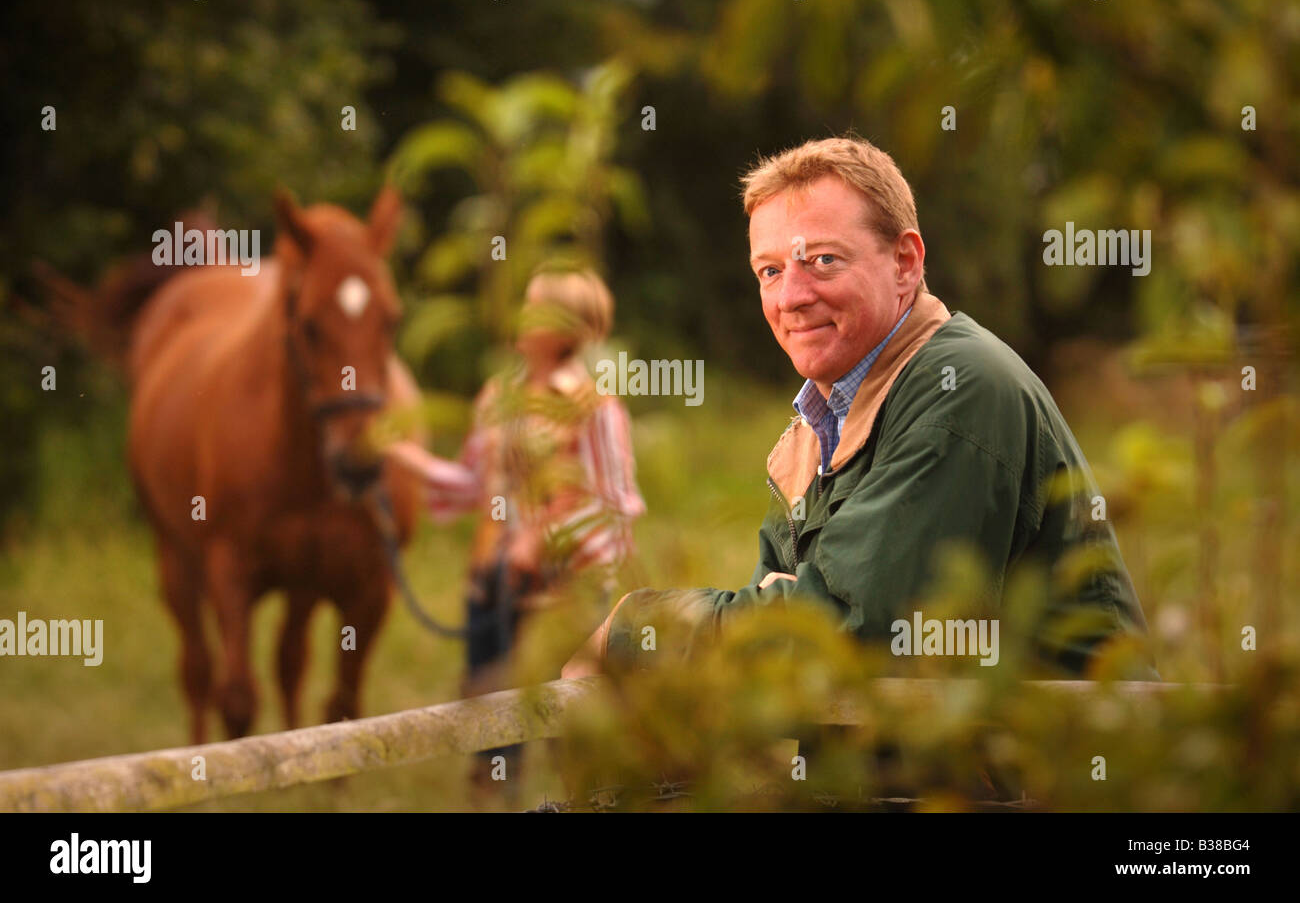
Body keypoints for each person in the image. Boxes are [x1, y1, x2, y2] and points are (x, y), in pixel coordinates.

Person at [563, 134, 1156, 682]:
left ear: (905, 263)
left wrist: (634, 629)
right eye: (769, 271)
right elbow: (779, 627)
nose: (791, 297)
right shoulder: (823, 420)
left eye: (822, 260)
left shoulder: (959, 390)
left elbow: (850, 631)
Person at [389, 266, 645, 788]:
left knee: (571, 724)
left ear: (572, 326)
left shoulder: (594, 408)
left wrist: (541, 539)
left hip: (567, 597)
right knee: (490, 724)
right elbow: (474, 483)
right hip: (496, 582)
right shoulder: (497, 398)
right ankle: (494, 790)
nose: (527, 316)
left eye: (542, 307)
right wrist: (404, 459)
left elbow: (615, 503)